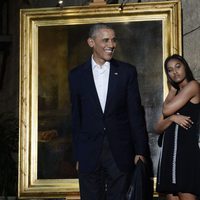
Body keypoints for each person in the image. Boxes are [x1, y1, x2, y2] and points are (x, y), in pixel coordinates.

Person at [68, 23, 148, 200]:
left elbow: (135, 114)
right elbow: (76, 118)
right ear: (91, 42)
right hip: (89, 153)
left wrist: (140, 151)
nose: (111, 45)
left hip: (120, 152)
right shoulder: (76, 75)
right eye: (105, 40)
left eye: (113, 40)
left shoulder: (127, 72)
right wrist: (77, 156)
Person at [154, 54, 200, 200]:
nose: (175, 72)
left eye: (178, 67)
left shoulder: (193, 86)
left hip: (186, 154)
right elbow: (158, 127)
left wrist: (170, 114)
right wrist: (173, 118)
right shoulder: (175, 93)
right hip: (169, 153)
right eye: (170, 70)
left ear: (185, 66)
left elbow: (166, 110)